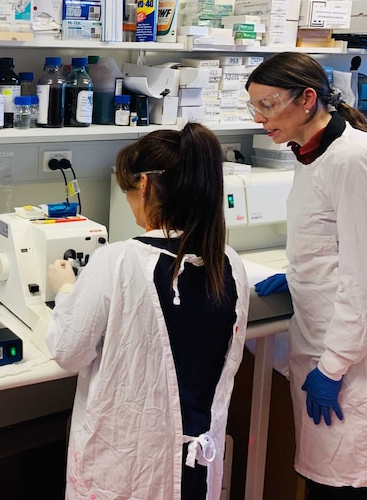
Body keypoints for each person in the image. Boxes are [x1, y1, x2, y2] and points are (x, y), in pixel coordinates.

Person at [46, 123, 250, 500]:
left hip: (131, 469)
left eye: (127, 189)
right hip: (194, 465)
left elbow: (67, 352)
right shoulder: (229, 263)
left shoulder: (118, 261)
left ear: (144, 186)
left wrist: (66, 290)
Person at [248, 51, 367, 499]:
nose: (260, 118)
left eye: (268, 105)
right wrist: (299, 278)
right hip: (327, 344)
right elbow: (333, 246)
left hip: (356, 363)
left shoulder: (355, 159)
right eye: (254, 107)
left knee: (343, 488)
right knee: (325, 482)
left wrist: (332, 369)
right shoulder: (311, 154)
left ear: (308, 99)